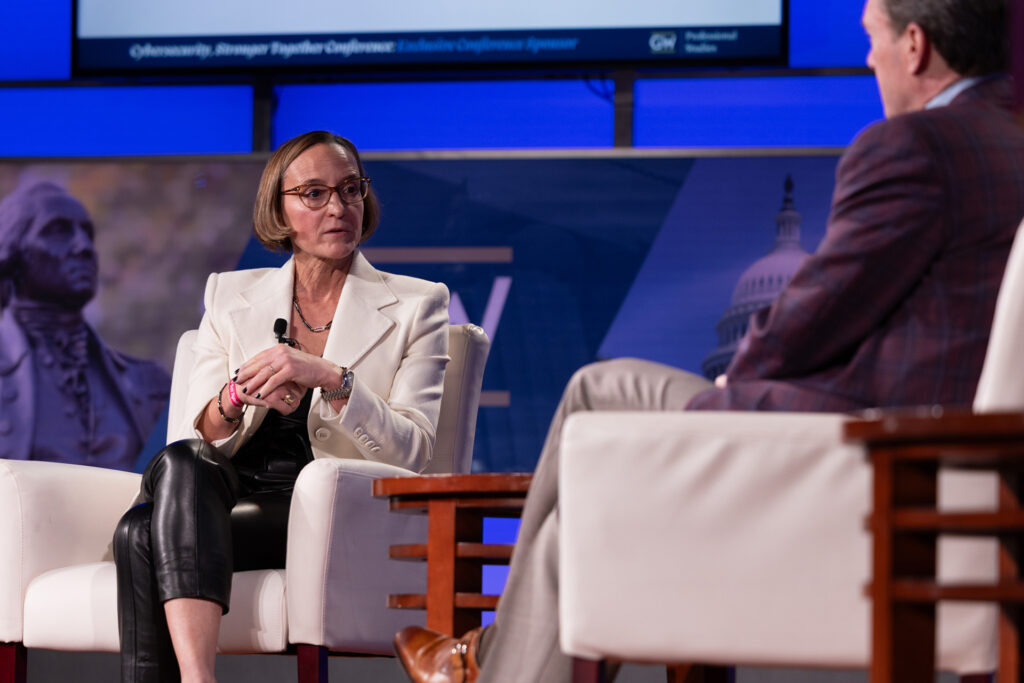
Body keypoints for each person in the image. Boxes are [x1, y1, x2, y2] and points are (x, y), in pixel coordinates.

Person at [393, 0, 1024, 681]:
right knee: (563, 538)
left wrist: (733, 385)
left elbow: (813, 315)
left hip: (865, 452)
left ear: (915, 46)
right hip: (963, 462)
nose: (868, 58)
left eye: (872, 39)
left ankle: (482, 657)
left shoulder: (914, 147)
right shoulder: (1007, 141)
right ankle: (484, 660)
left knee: (594, 387)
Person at [112, 130, 450, 683]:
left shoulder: (418, 305)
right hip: (229, 490)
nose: (338, 207)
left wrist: (334, 379)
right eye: (314, 194)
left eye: (349, 189)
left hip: (331, 508)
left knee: (138, 533)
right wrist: (239, 394)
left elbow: (415, 451)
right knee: (183, 466)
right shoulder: (229, 295)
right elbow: (192, 436)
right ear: (280, 209)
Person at [0, 181, 170, 469]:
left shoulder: (150, 385)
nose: (84, 247)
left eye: (87, 234)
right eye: (57, 231)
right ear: (13, 252)